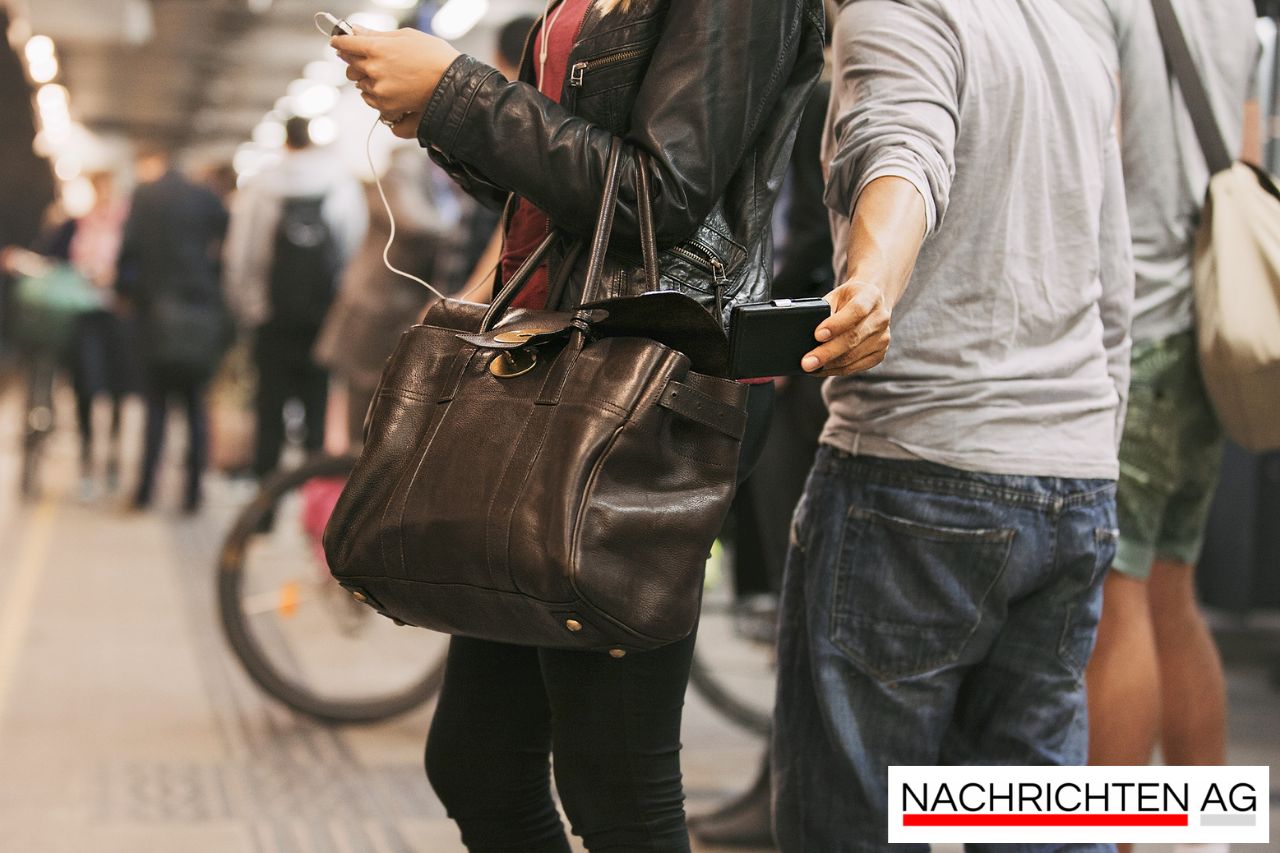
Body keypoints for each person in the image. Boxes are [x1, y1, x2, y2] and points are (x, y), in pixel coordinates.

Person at [331, 0, 825, 849]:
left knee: (614, 783)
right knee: (481, 762)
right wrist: (441, 116)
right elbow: (556, 176)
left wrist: (457, 92)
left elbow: (657, 194)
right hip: (556, 362)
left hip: (649, 389)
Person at [772, 1, 1133, 850]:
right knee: (1034, 814)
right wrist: (1088, 448)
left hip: (917, 476)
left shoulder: (895, 15)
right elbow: (1112, 281)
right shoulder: (1074, 25)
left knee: (852, 821)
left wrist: (872, 284)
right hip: (1073, 480)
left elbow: (902, 151)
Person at [1055, 6, 1258, 853]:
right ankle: (1203, 835)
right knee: (1172, 590)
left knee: (1119, 599)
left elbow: (1086, 158)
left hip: (1134, 324)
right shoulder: (1234, 7)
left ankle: (1115, 840)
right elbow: (1243, 149)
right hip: (1209, 319)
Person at [222, 116, 365, 479]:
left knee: (269, 408)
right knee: (316, 409)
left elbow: (241, 255)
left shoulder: (259, 186)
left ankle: (265, 506)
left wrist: (246, 309)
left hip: (272, 318)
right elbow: (354, 250)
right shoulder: (340, 185)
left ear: (284, 141)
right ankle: (310, 503)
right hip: (322, 317)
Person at [116, 146, 229, 512]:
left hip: (155, 314)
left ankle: (146, 491)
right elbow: (227, 242)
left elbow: (128, 251)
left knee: (156, 408)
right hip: (199, 312)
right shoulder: (206, 198)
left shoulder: (144, 196)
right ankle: (193, 494)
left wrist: (125, 293)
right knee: (195, 406)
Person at [68, 171, 135, 500]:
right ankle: (86, 459)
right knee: (85, 387)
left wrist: (118, 278)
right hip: (85, 314)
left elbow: (136, 265)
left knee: (118, 390)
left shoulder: (128, 226)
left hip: (117, 315)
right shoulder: (77, 223)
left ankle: (111, 457)